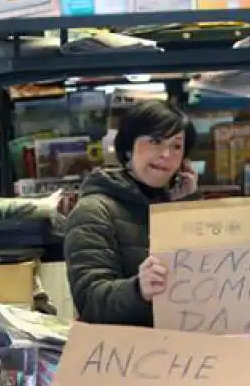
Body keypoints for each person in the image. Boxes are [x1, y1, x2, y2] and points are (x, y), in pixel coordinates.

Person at [64, 100, 198, 326]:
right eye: (155, 141)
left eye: (177, 146)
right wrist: (138, 290)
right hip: (127, 354)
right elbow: (90, 300)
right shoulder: (94, 211)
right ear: (128, 148)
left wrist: (188, 204)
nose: (166, 154)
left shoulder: (177, 206)